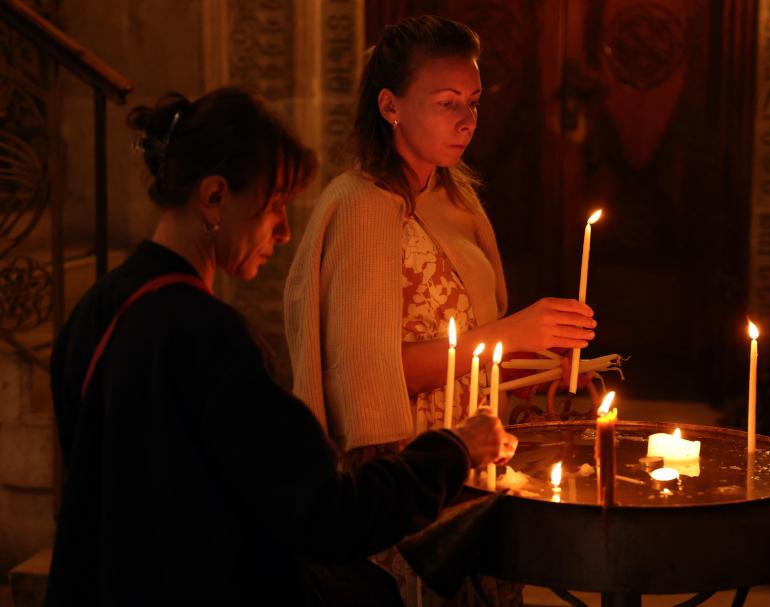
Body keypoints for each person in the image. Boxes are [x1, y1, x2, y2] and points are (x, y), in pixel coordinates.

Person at [47, 86, 515, 607]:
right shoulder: (209, 338)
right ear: (215, 197)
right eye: (273, 206)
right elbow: (328, 514)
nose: (286, 231)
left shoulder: (98, 308)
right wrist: (455, 449)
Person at [284, 15, 596, 606]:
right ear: (390, 105)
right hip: (408, 475)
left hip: (474, 454)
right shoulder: (361, 208)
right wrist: (511, 332)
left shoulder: (454, 195)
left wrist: (535, 356)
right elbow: (364, 373)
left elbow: (472, 338)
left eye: (474, 102)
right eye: (447, 102)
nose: (468, 120)